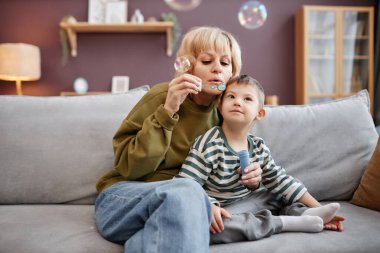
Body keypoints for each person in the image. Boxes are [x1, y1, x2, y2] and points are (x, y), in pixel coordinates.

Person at [94, 27, 263, 253]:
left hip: (176, 210)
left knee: (158, 231)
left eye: (225, 63)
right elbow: (130, 168)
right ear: (189, 66)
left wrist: (252, 178)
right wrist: (168, 110)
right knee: (186, 190)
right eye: (206, 61)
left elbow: (224, 176)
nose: (217, 69)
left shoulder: (226, 113)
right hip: (122, 200)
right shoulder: (163, 96)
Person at [175, 75, 345, 243]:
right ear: (220, 106)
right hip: (220, 211)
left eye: (247, 99)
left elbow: (280, 180)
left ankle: (306, 214)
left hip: (248, 203)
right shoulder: (209, 143)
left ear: (259, 113)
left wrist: (319, 208)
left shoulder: (258, 147)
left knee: (280, 191)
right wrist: (208, 205)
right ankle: (287, 223)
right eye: (231, 96)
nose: (237, 102)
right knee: (210, 226)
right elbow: (186, 184)